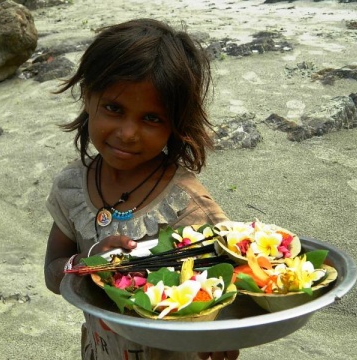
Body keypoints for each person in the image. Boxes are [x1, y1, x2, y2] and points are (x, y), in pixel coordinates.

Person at [44, 18, 239, 360]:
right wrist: (87, 264)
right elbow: (52, 272)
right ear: (88, 97)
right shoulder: (72, 188)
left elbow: (234, 278)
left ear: (176, 125)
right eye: (114, 109)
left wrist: (221, 331)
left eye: (152, 118)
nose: (128, 132)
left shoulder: (186, 206)